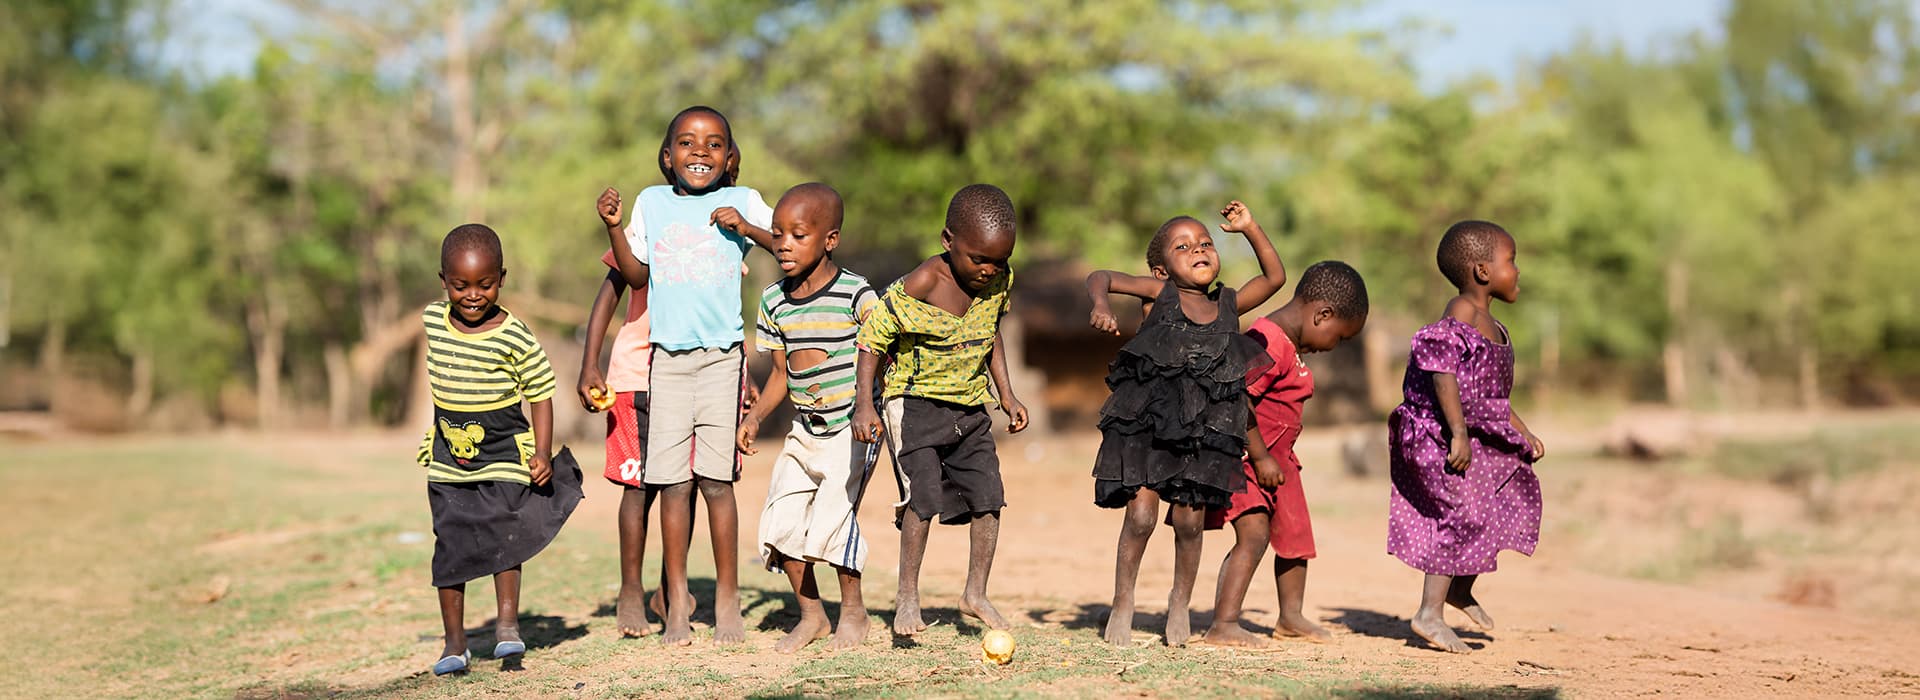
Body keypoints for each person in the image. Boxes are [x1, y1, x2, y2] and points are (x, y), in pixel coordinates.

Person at [594, 105, 775, 646]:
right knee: (671, 484)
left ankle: (726, 598)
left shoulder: (742, 201)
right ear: (667, 156)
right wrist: (612, 228)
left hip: (722, 360)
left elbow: (784, 241)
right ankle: (675, 602)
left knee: (717, 483)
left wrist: (745, 228)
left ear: (730, 157)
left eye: (715, 143)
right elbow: (635, 275)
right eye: (688, 143)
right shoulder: (651, 202)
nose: (701, 152)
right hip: (665, 362)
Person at [1084, 201, 1289, 646]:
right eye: (1183, 246)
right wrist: (1100, 304)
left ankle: (1180, 603)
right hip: (1149, 428)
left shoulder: (1229, 304)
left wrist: (1250, 228)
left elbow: (1275, 279)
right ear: (1161, 269)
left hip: (1203, 436)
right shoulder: (1159, 295)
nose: (1199, 249)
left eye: (1206, 243)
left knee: (1190, 523)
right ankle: (1123, 601)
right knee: (1140, 516)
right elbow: (1100, 276)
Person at [851, 183, 1029, 636]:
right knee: (924, 499)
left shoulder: (998, 282)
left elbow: (991, 335)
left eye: (1000, 260)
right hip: (914, 405)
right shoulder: (922, 284)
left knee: (990, 497)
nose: (990, 270)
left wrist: (1006, 395)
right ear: (948, 242)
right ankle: (907, 596)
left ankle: (975, 592)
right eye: (979, 259)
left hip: (969, 406)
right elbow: (872, 340)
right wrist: (864, 406)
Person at [417, 224, 581, 675]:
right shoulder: (432, 321)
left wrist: (543, 452)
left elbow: (542, 392)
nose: (473, 294)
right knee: (449, 544)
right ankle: (455, 643)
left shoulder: (515, 334)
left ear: (502, 278)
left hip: (505, 449)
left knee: (503, 533)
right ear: (443, 280)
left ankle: (507, 628)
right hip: (449, 455)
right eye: (460, 285)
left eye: (485, 284)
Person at [1386, 220, 1546, 654]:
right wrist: (1456, 432)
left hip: (1477, 432)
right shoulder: (1461, 312)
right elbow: (1442, 372)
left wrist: (1521, 429)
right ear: (1481, 270)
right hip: (1440, 434)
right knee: (1459, 513)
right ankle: (1429, 613)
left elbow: (1491, 393)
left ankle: (1457, 590)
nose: (1517, 271)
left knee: (1494, 505)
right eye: (1511, 261)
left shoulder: (1491, 323)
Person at [736, 183, 884, 652]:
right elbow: (781, 373)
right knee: (780, 520)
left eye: (797, 234)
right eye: (777, 233)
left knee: (832, 519)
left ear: (830, 240)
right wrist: (756, 415)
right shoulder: (773, 300)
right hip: (806, 430)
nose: (782, 243)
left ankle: (854, 615)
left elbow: (879, 351)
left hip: (852, 429)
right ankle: (813, 616)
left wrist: (868, 405)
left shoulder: (856, 294)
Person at [1202, 261, 1369, 647]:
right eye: (1339, 337)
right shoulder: (1267, 341)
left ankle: (1290, 617)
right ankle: (1223, 623)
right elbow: (1234, 395)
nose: (1334, 346)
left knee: (1295, 535)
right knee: (1254, 533)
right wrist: (1260, 457)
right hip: (1246, 459)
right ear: (1322, 314)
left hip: (1281, 463)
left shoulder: (1289, 345)